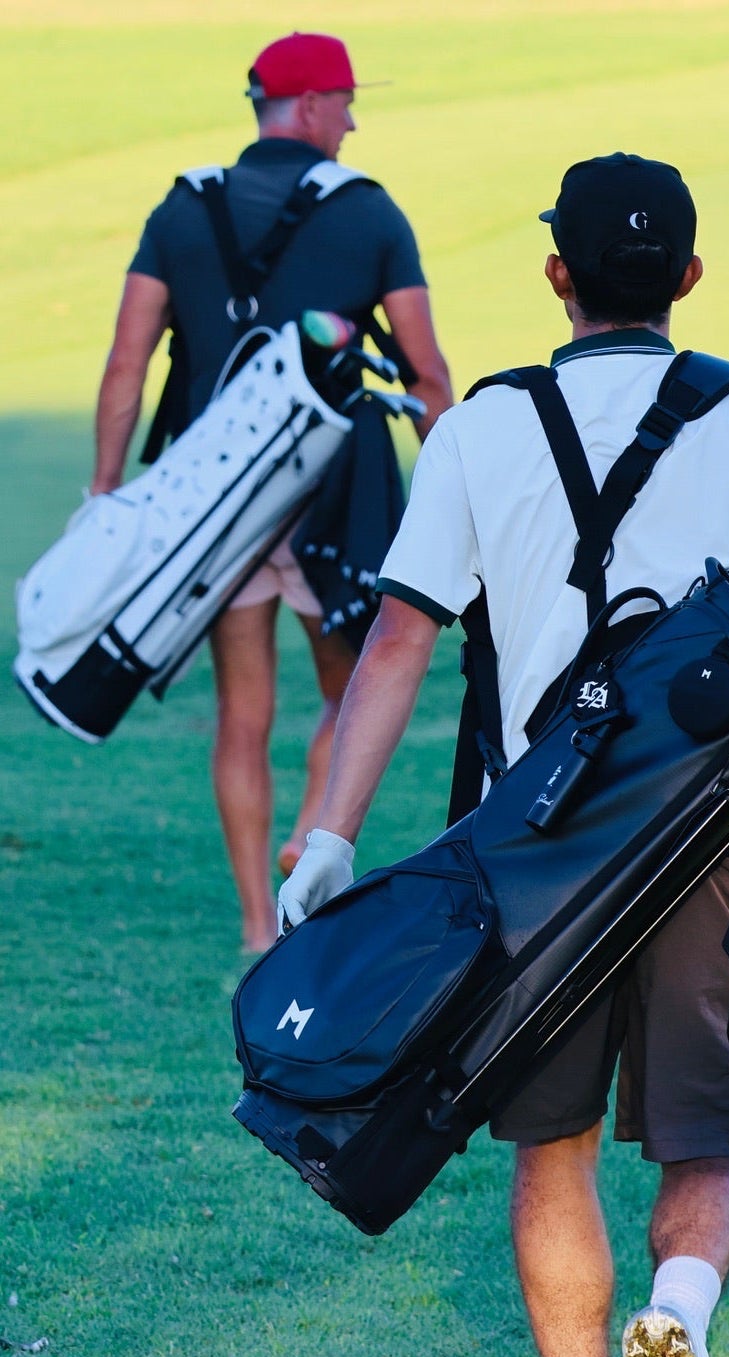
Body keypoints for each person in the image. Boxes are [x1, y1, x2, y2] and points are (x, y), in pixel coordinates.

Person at [274, 153, 729, 1357]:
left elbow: (398, 643)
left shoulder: (485, 427)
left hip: (532, 857)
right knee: (709, 1142)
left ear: (557, 275)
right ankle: (678, 1310)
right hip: (717, 840)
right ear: (687, 279)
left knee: (551, 1155)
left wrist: (328, 833)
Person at [89, 31, 453, 952]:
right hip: (336, 497)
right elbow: (427, 374)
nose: (353, 119)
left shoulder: (181, 210)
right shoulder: (369, 214)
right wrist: (454, 490)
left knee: (241, 714)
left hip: (212, 506)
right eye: (344, 101)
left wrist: (104, 492)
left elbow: (128, 365)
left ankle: (257, 926)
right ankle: (307, 839)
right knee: (350, 688)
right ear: (308, 107)